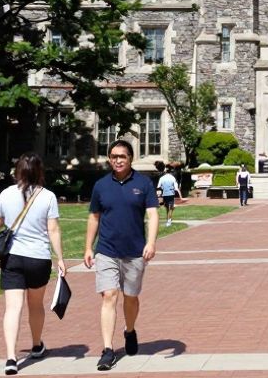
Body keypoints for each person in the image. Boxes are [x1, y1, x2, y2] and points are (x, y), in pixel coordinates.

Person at [84, 140, 159, 371]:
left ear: (131, 158)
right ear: (109, 158)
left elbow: (153, 214)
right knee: (109, 296)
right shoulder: (101, 186)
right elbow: (94, 217)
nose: (118, 160)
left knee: (131, 297)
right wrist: (88, 247)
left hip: (135, 251)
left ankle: (129, 330)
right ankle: (108, 349)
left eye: (122, 156)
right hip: (106, 250)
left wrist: (151, 242)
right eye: (114, 156)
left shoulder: (144, 183)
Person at [0, 152, 66, 376]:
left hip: (13, 257)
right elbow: (53, 229)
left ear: (18, 172)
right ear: (39, 171)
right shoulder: (48, 196)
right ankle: (36, 345)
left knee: (13, 308)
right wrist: (60, 258)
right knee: (36, 305)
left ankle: (11, 357)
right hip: (39, 258)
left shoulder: (6, 194)